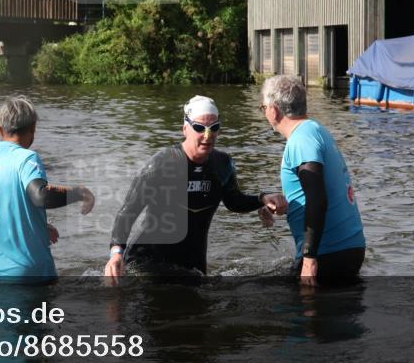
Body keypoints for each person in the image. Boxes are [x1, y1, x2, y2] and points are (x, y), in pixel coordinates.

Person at [104, 95, 287, 282]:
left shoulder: (222, 164)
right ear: (185, 128)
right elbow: (129, 210)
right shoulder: (163, 163)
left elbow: (234, 201)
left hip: (193, 264)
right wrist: (116, 253)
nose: (208, 135)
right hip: (147, 263)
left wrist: (262, 199)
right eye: (199, 128)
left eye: (214, 128)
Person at [0, 97, 94, 281]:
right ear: (33, 129)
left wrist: (36, 225)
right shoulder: (27, 158)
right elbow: (41, 196)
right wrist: (80, 193)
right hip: (30, 276)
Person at [261, 75, 366, 286]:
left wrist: (309, 259)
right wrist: (284, 206)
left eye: (262, 107)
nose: (263, 112)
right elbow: (315, 191)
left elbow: (318, 199)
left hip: (328, 254)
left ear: (273, 110)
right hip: (345, 249)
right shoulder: (315, 130)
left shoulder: (301, 140)